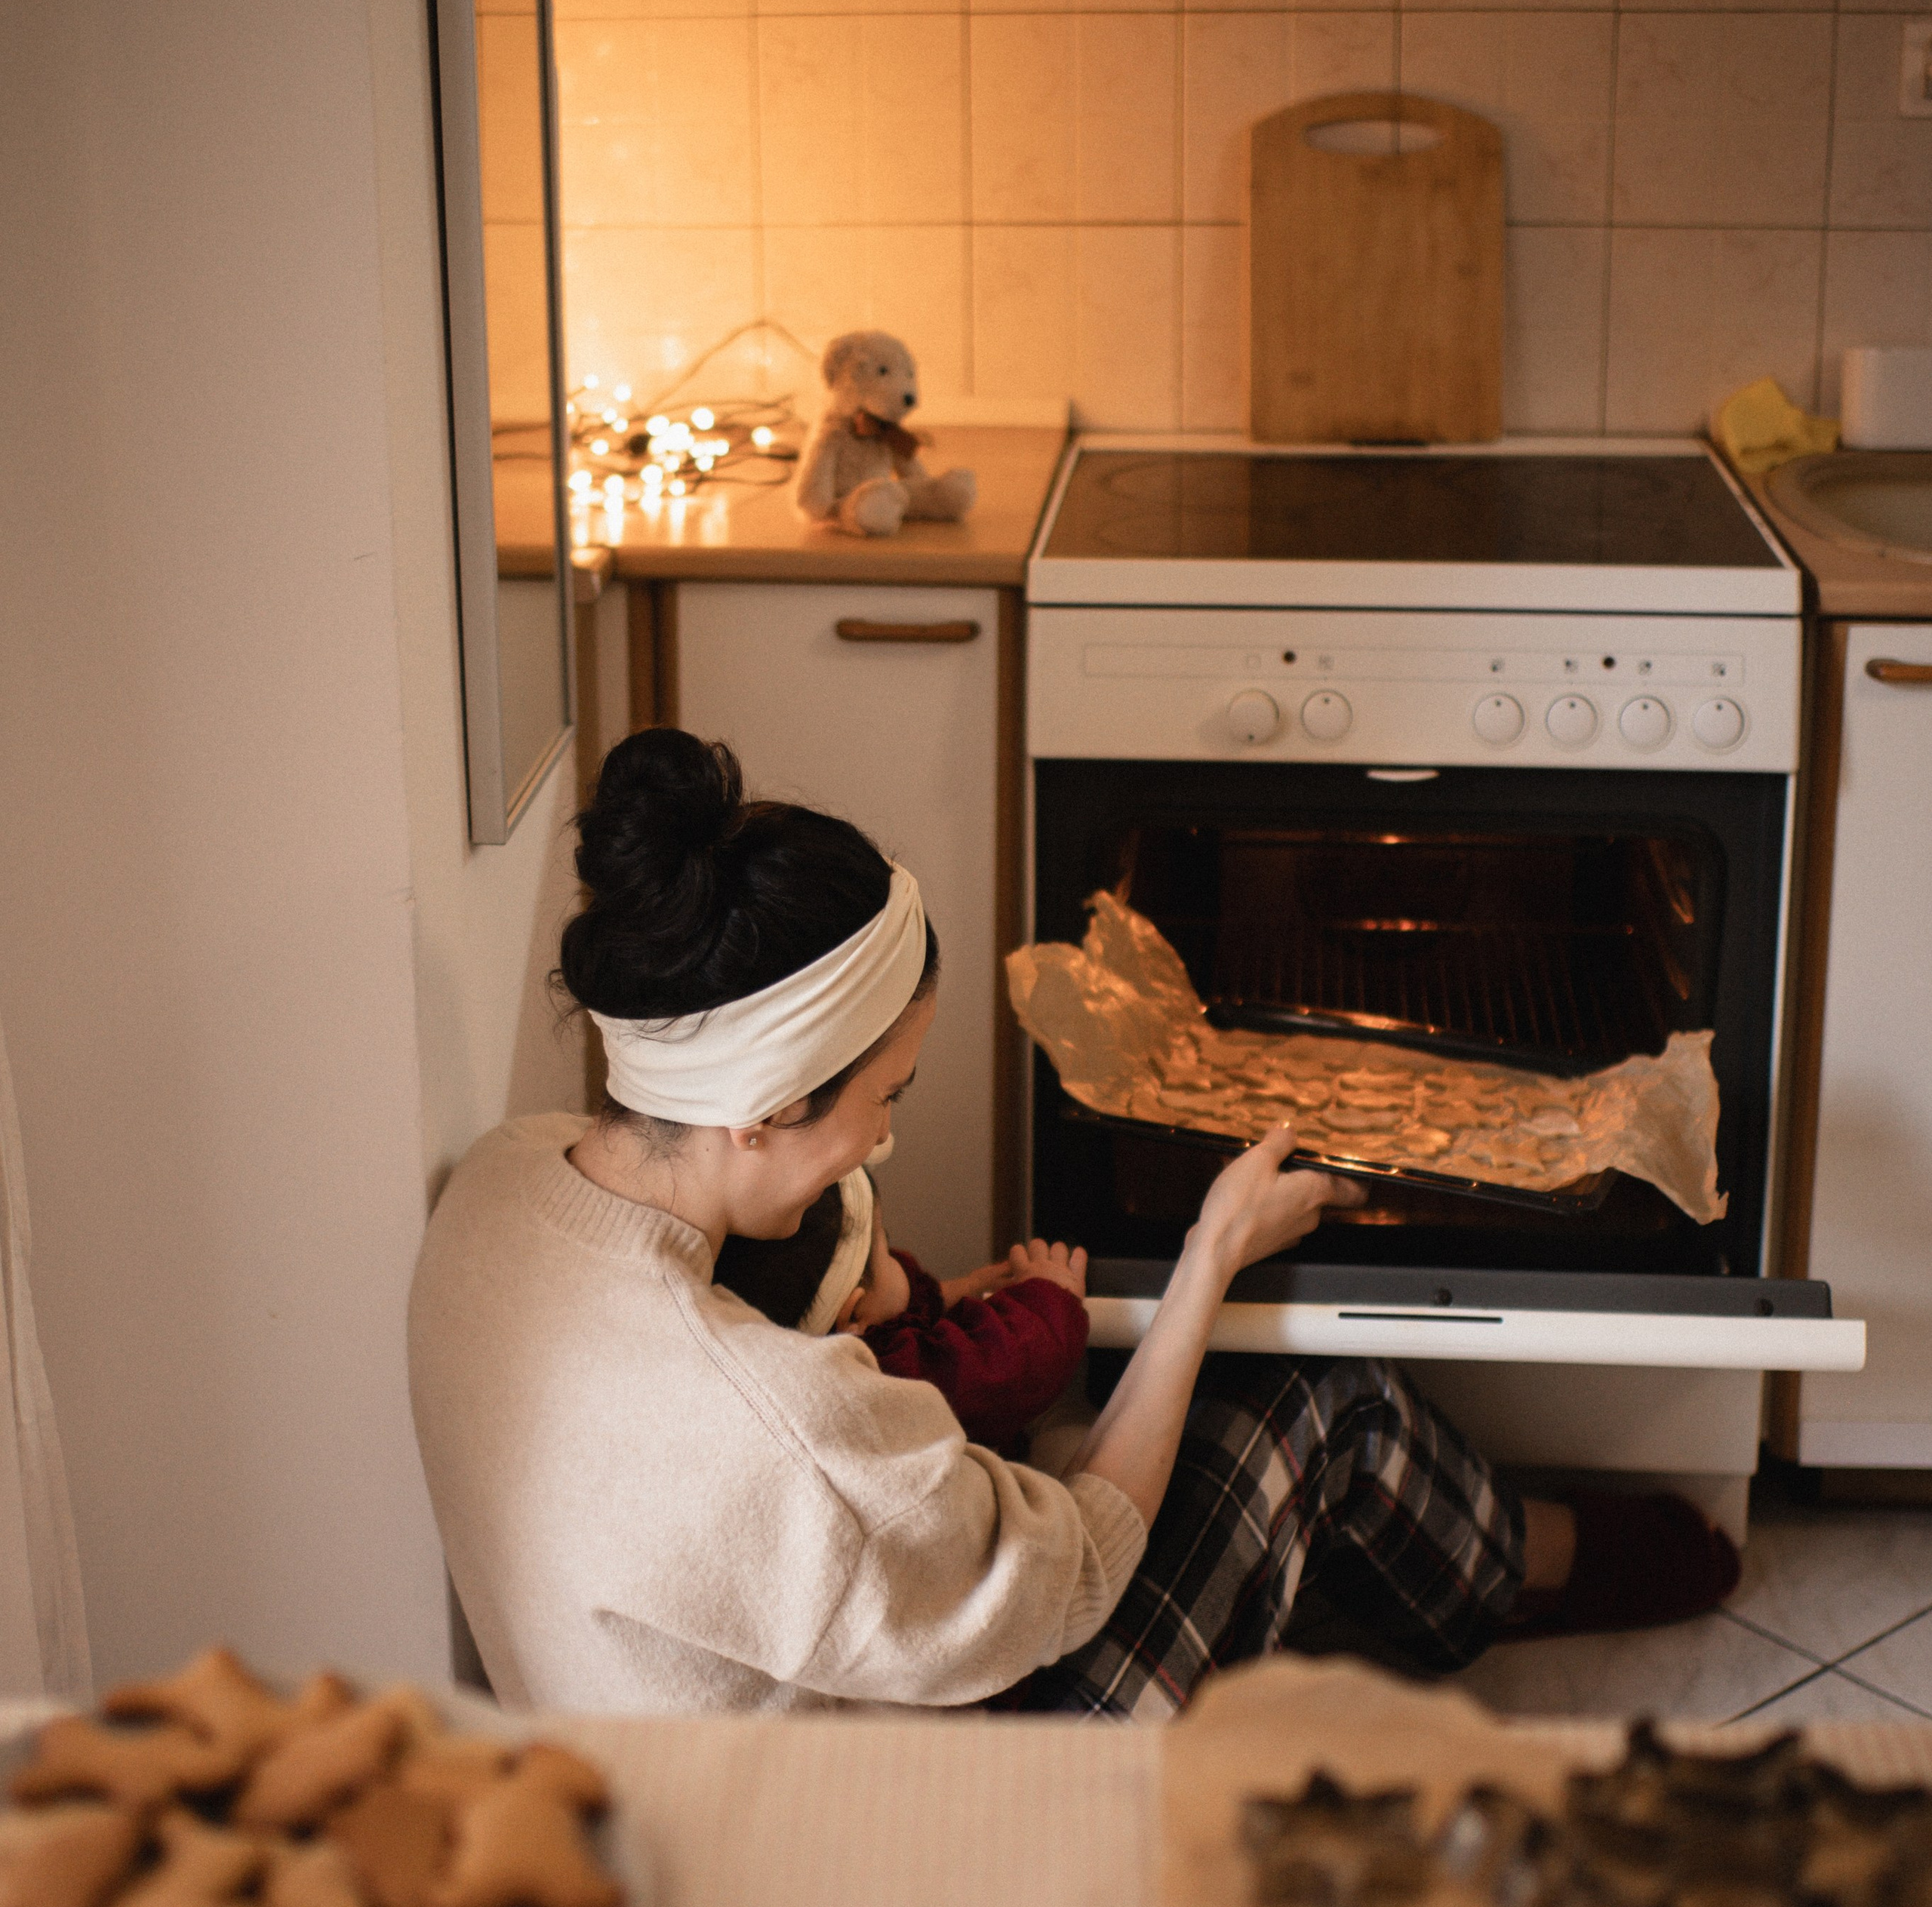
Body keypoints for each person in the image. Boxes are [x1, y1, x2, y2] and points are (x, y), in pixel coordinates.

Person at [408, 730, 1739, 1720]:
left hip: (642, 1749)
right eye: (882, 1100)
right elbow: (1084, 1567)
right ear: (760, 1109)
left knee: (1195, 1426)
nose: (884, 1142)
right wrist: (1212, 1256)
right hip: (902, 1831)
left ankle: (1493, 1563)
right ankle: (1536, 1562)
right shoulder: (787, 1438)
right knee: (1318, 1401)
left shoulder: (504, 1185)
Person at [718, 1164, 1091, 1455]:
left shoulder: (842, 1334)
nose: (900, 1259)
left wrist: (963, 1288)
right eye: (885, 1248)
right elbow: (1002, 1369)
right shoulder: (888, 1377)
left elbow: (903, 1306)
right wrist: (1051, 1297)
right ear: (854, 1314)